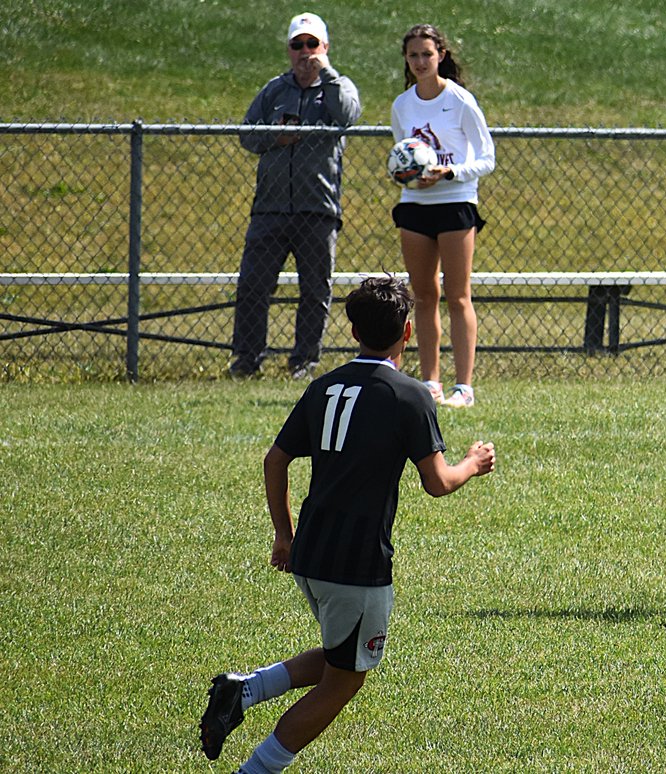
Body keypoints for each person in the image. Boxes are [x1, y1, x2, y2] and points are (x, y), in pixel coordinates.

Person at [200, 275, 496, 772]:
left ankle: (243, 690)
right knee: (346, 679)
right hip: (356, 562)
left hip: (311, 553)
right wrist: (473, 462)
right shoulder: (409, 396)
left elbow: (276, 459)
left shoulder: (325, 386)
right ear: (408, 332)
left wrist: (284, 534)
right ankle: (257, 769)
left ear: (353, 329)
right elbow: (438, 482)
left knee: (344, 653)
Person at [230, 12, 362, 380]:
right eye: (297, 45)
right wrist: (276, 137)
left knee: (315, 290)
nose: (305, 52)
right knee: (253, 285)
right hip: (269, 208)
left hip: (317, 208)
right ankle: (246, 360)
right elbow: (246, 134)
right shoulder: (274, 90)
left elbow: (348, 116)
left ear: (325, 47)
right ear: (288, 50)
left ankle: (304, 362)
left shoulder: (339, 86)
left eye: (312, 44)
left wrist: (328, 73)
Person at [390, 23, 495, 408]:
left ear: (441, 56)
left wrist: (450, 173)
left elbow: (487, 158)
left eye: (427, 54)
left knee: (457, 295)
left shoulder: (460, 100)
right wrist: (415, 178)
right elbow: (404, 157)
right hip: (415, 206)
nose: (420, 61)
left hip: (457, 204)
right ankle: (430, 382)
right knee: (423, 296)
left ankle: (463, 387)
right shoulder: (402, 105)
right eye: (413, 55)